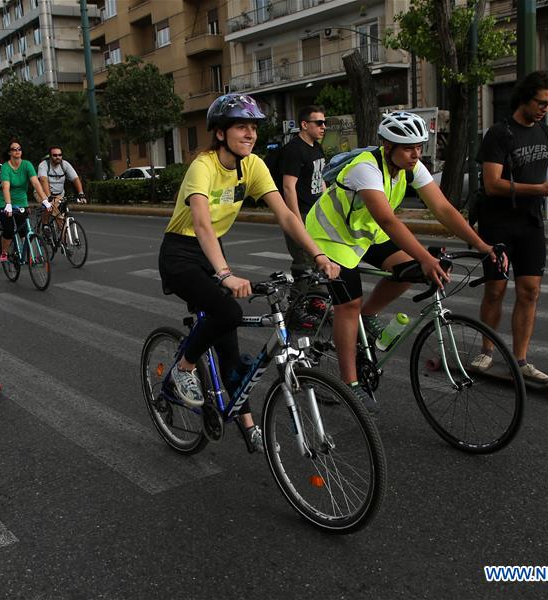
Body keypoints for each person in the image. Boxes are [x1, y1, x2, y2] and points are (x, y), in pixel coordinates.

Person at [158, 93, 341, 453]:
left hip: (213, 252)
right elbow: (201, 222)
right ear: (221, 133)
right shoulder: (204, 166)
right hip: (181, 253)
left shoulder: (253, 166)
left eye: (254, 127)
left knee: (229, 338)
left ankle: (245, 421)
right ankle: (183, 367)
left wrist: (318, 254)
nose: (250, 134)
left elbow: (287, 214)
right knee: (228, 311)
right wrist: (225, 274)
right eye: (242, 127)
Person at [305, 111, 506, 412]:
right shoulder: (365, 168)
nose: (416, 154)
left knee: (411, 272)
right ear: (388, 147)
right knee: (348, 304)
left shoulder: (411, 168)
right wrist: (425, 257)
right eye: (408, 147)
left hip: (363, 233)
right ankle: (350, 385)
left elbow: (443, 209)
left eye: (419, 147)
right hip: (329, 237)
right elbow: (387, 220)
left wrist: (481, 245)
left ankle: (368, 315)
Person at [473, 71, 548, 383]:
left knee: (530, 291)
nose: (545, 109)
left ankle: (521, 359)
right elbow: (492, 184)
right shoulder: (499, 133)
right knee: (495, 289)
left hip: (530, 224)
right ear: (524, 98)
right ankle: (486, 351)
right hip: (497, 224)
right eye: (541, 102)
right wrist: (539, 189)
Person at [279, 104, 327, 304]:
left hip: (316, 214)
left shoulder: (316, 147)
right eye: (319, 123)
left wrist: (328, 207)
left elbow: (321, 178)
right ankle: (297, 308)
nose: (323, 127)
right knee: (303, 264)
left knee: (317, 261)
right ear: (305, 124)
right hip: (301, 214)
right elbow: (289, 187)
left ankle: (314, 303)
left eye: (325, 123)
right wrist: (296, 221)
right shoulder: (294, 150)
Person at [0, 138, 48, 263]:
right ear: (9, 152)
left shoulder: (27, 165)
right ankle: (4, 252)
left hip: (21, 201)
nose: (17, 151)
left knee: (24, 229)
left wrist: (44, 200)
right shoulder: (6, 168)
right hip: (3, 201)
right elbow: (6, 187)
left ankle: (30, 255)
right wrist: (8, 204)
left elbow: (35, 182)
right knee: (8, 229)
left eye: (19, 149)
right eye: (14, 149)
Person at [37, 145, 86, 219]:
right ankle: (45, 225)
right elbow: (43, 180)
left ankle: (64, 230)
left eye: (60, 155)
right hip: (42, 193)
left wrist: (81, 193)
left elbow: (75, 178)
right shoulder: (43, 165)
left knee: (62, 216)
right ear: (50, 156)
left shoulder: (65, 164)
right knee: (55, 211)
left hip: (59, 195)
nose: (58, 157)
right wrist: (49, 197)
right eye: (55, 155)